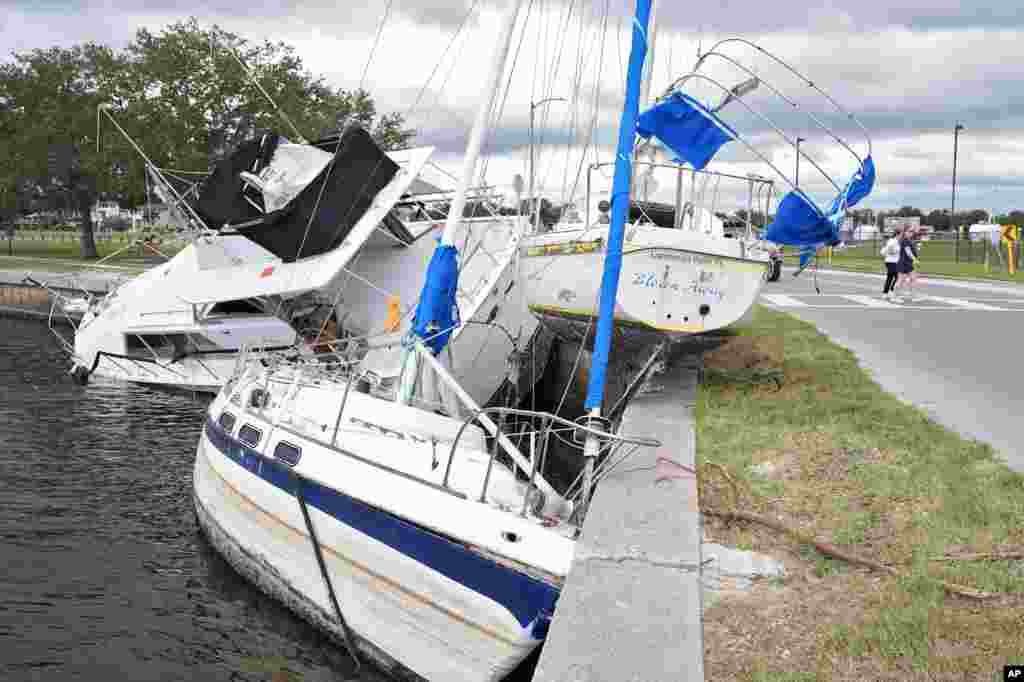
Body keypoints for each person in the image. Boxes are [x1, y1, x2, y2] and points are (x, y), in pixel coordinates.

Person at [896, 226, 921, 301]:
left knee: (913, 278)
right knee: (901, 280)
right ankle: (894, 296)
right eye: (910, 231)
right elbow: (908, 252)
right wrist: (915, 260)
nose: (911, 233)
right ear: (905, 232)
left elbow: (911, 251)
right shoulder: (905, 241)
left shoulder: (909, 240)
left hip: (908, 263)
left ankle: (913, 295)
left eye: (912, 231)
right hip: (903, 263)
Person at [881, 227, 902, 301]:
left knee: (890, 278)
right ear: (897, 234)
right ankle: (891, 291)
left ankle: (886, 293)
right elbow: (886, 250)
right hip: (891, 262)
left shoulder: (894, 241)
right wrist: (892, 252)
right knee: (898, 277)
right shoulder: (893, 241)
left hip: (892, 262)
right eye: (901, 235)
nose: (901, 237)